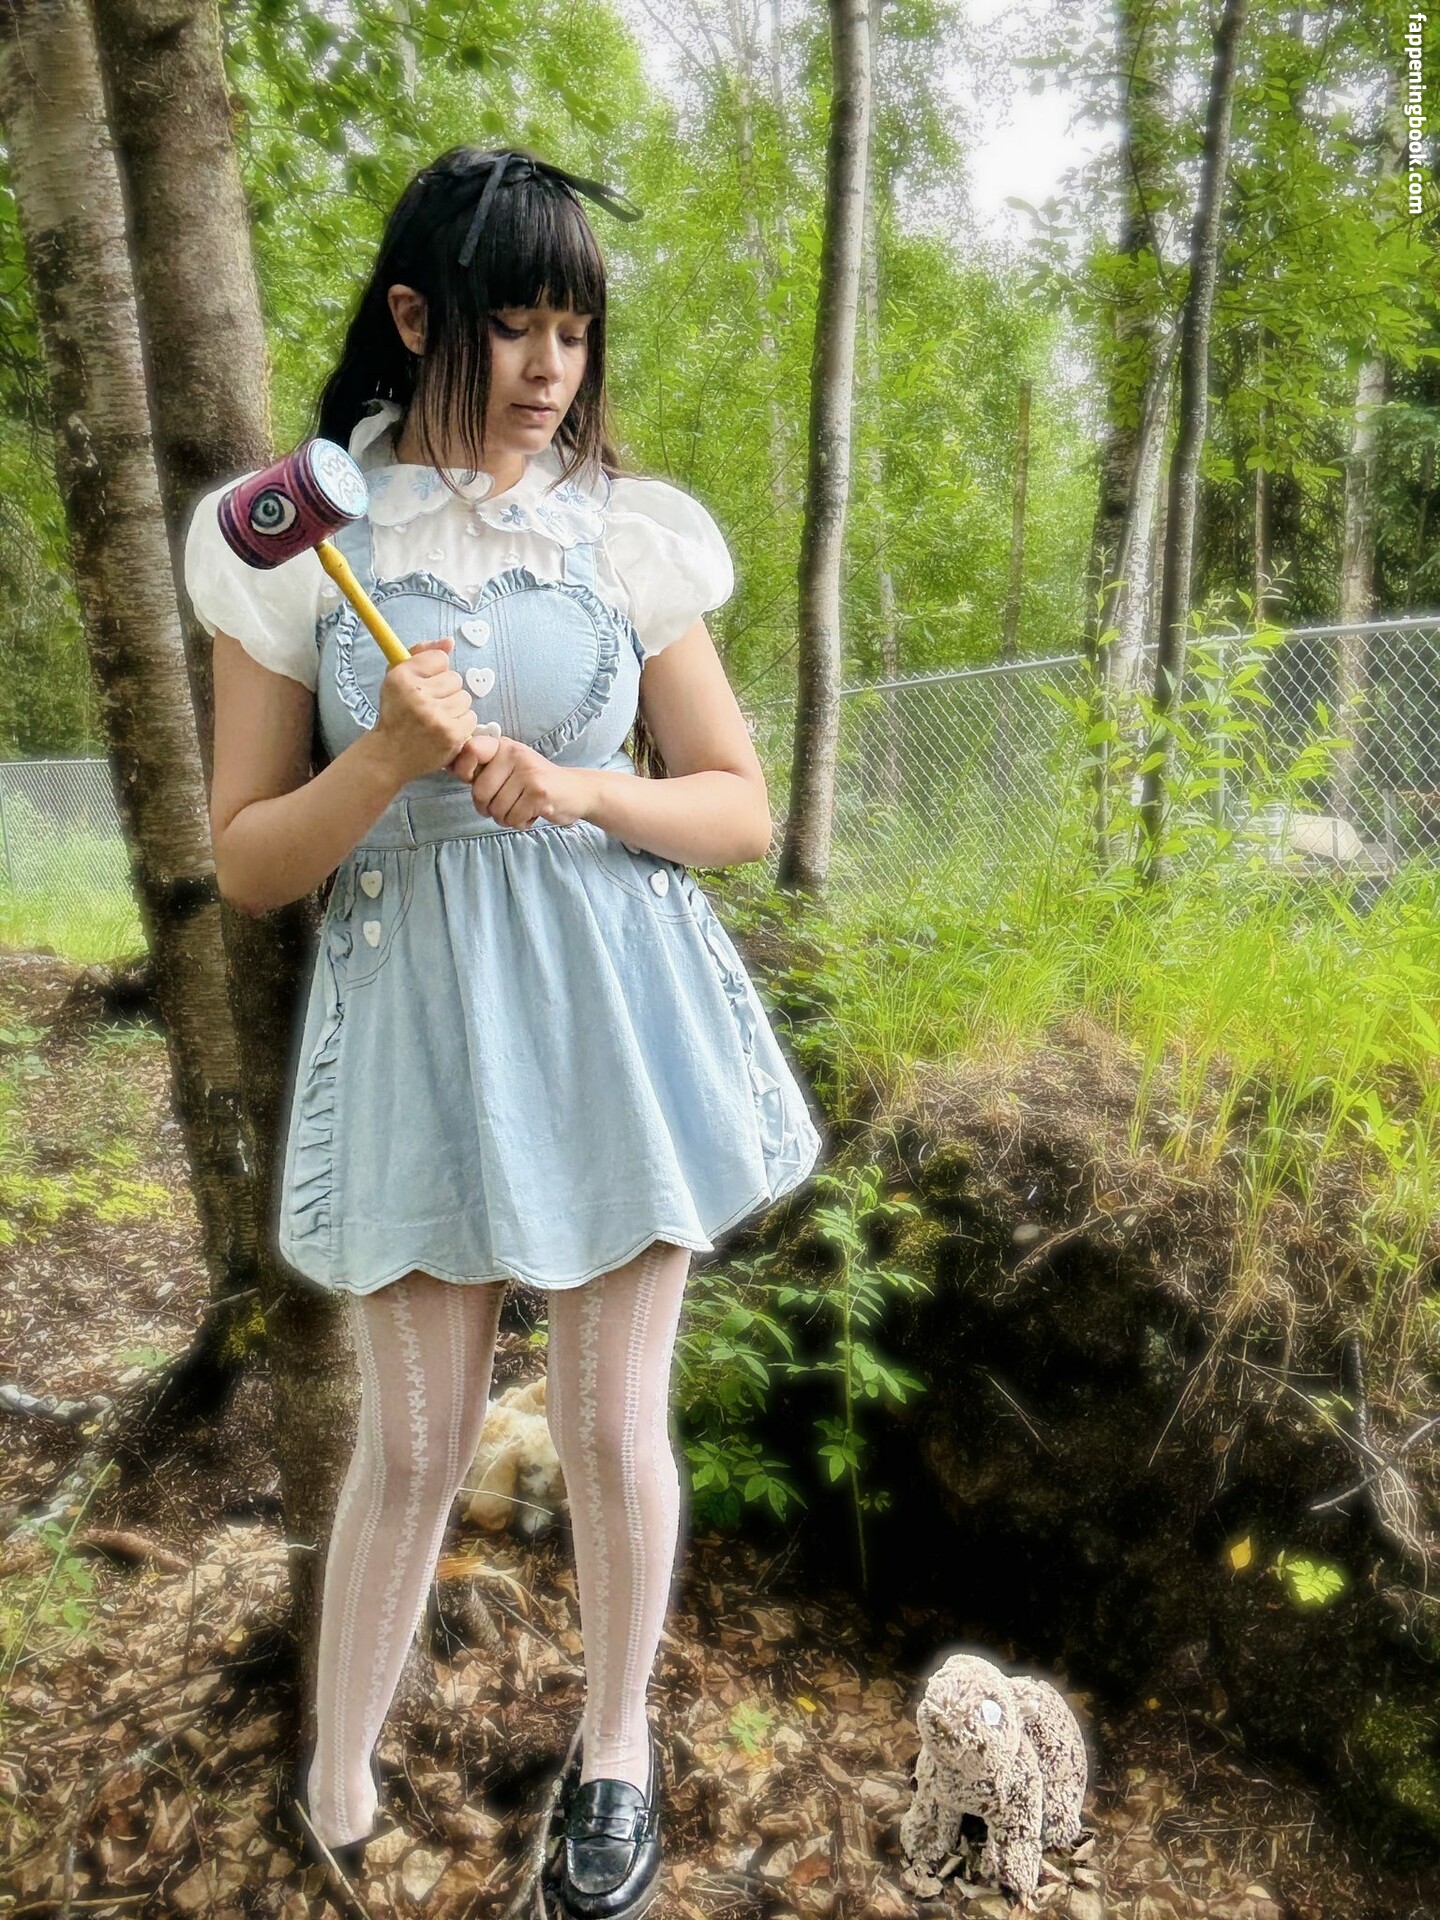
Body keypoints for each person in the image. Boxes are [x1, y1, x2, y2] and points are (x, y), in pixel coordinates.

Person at [181, 146, 824, 1920]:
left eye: (575, 330)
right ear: (415, 318)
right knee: (414, 1443)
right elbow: (247, 861)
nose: (552, 368)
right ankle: (335, 1781)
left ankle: (616, 1756)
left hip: (619, 1011)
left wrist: (584, 784)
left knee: (613, 1428)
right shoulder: (300, 542)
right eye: (515, 325)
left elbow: (738, 806)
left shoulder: (624, 533)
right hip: (414, 1026)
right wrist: (384, 760)